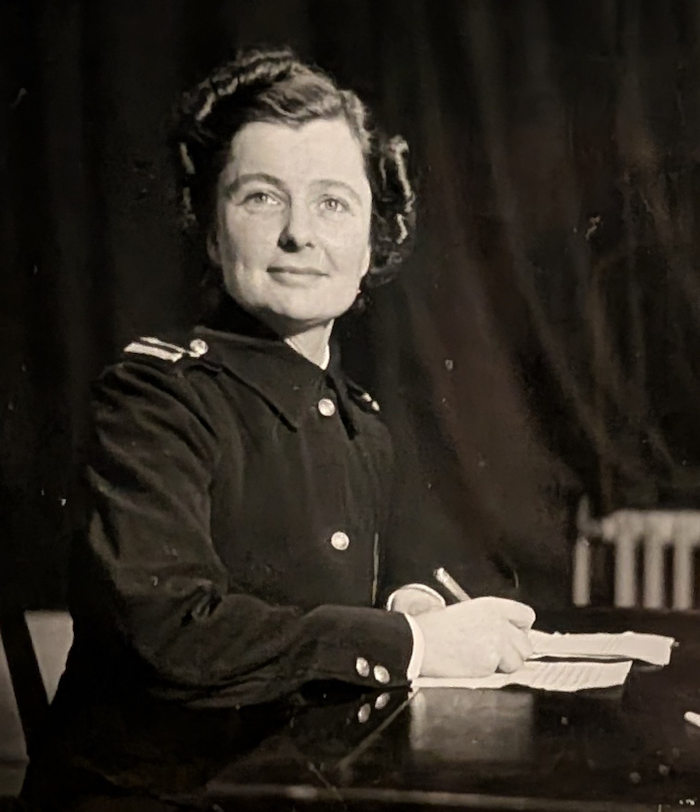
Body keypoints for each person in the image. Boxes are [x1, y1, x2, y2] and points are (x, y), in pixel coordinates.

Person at [66, 47, 535, 709]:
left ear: (371, 242)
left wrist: (410, 600)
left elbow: (322, 599)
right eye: (262, 198)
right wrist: (414, 645)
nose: (298, 234)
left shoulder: (360, 423)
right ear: (210, 230)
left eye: (333, 204)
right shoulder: (152, 399)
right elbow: (167, 628)